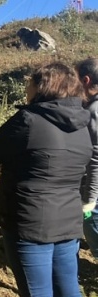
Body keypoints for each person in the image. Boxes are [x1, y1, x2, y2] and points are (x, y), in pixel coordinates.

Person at [0, 62, 91, 297]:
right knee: (70, 295)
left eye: (30, 82)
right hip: (68, 221)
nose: (26, 87)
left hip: (29, 223)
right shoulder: (83, 124)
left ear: (43, 87)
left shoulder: (29, 120)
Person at [78, 58, 98, 258]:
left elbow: (95, 159)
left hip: (94, 189)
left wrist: (90, 200)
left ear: (85, 80)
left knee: (93, 226)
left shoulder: (94, 111)